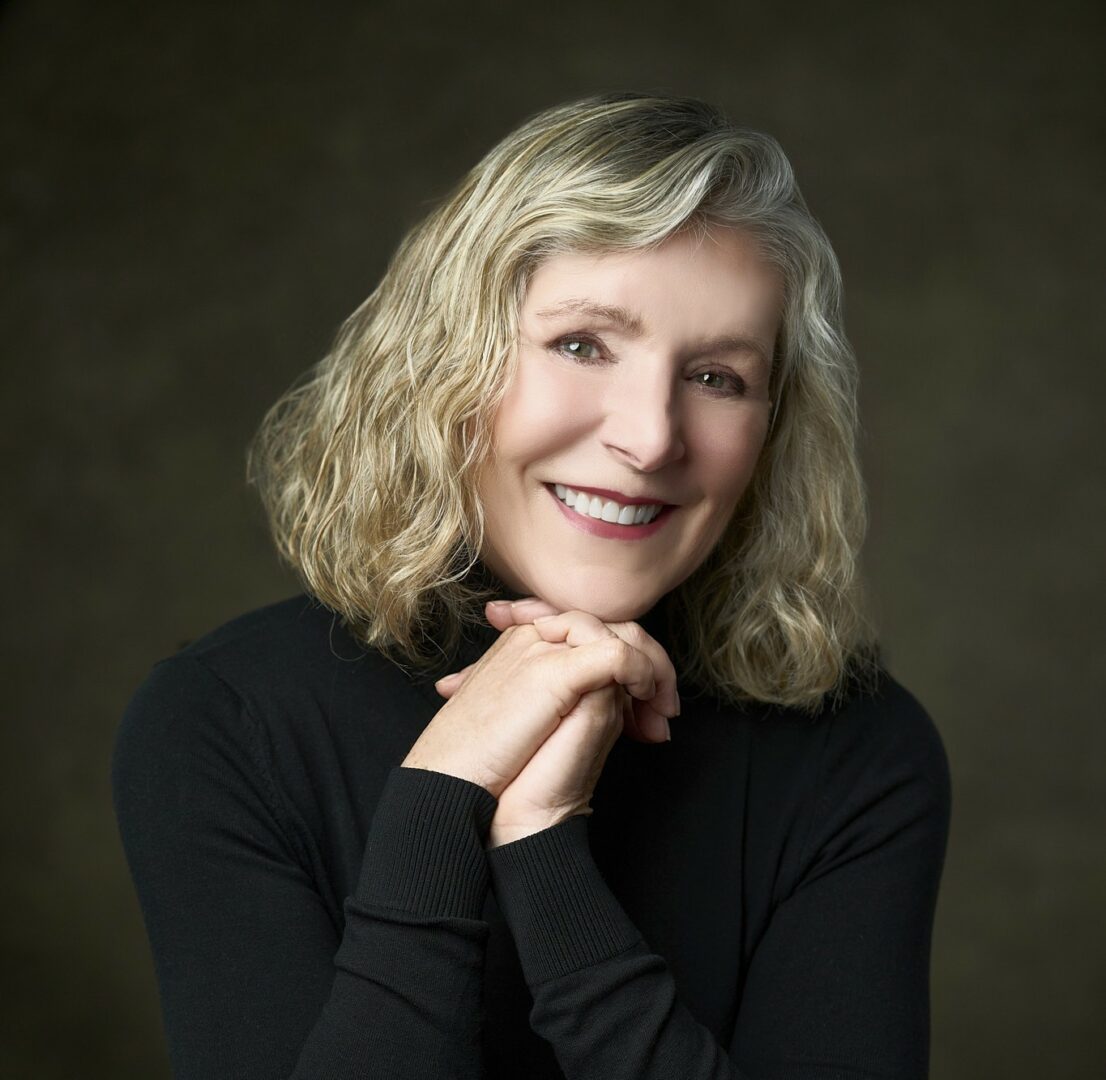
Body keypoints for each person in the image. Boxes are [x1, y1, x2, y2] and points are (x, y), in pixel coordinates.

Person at [112, 93, 951, 1079]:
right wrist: (442, 798)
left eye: (716, 377)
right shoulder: (226, 723)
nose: (650, 437)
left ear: (772, 431)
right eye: (581, 345)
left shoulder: (858, 754)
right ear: (443, 364)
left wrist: (546, 849)